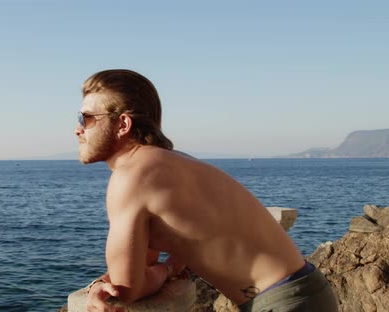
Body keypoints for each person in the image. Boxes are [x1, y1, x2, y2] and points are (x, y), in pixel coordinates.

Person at [74, 69, 338, 312]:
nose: (78, 129)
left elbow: (127, 289)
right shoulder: (166, 162)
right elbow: (142, 266)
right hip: (304, 289)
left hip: (284, 302)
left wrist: (166, 270)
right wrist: (109, 280)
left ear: (122, 124)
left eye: (86, 118)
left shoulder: (130, 177)